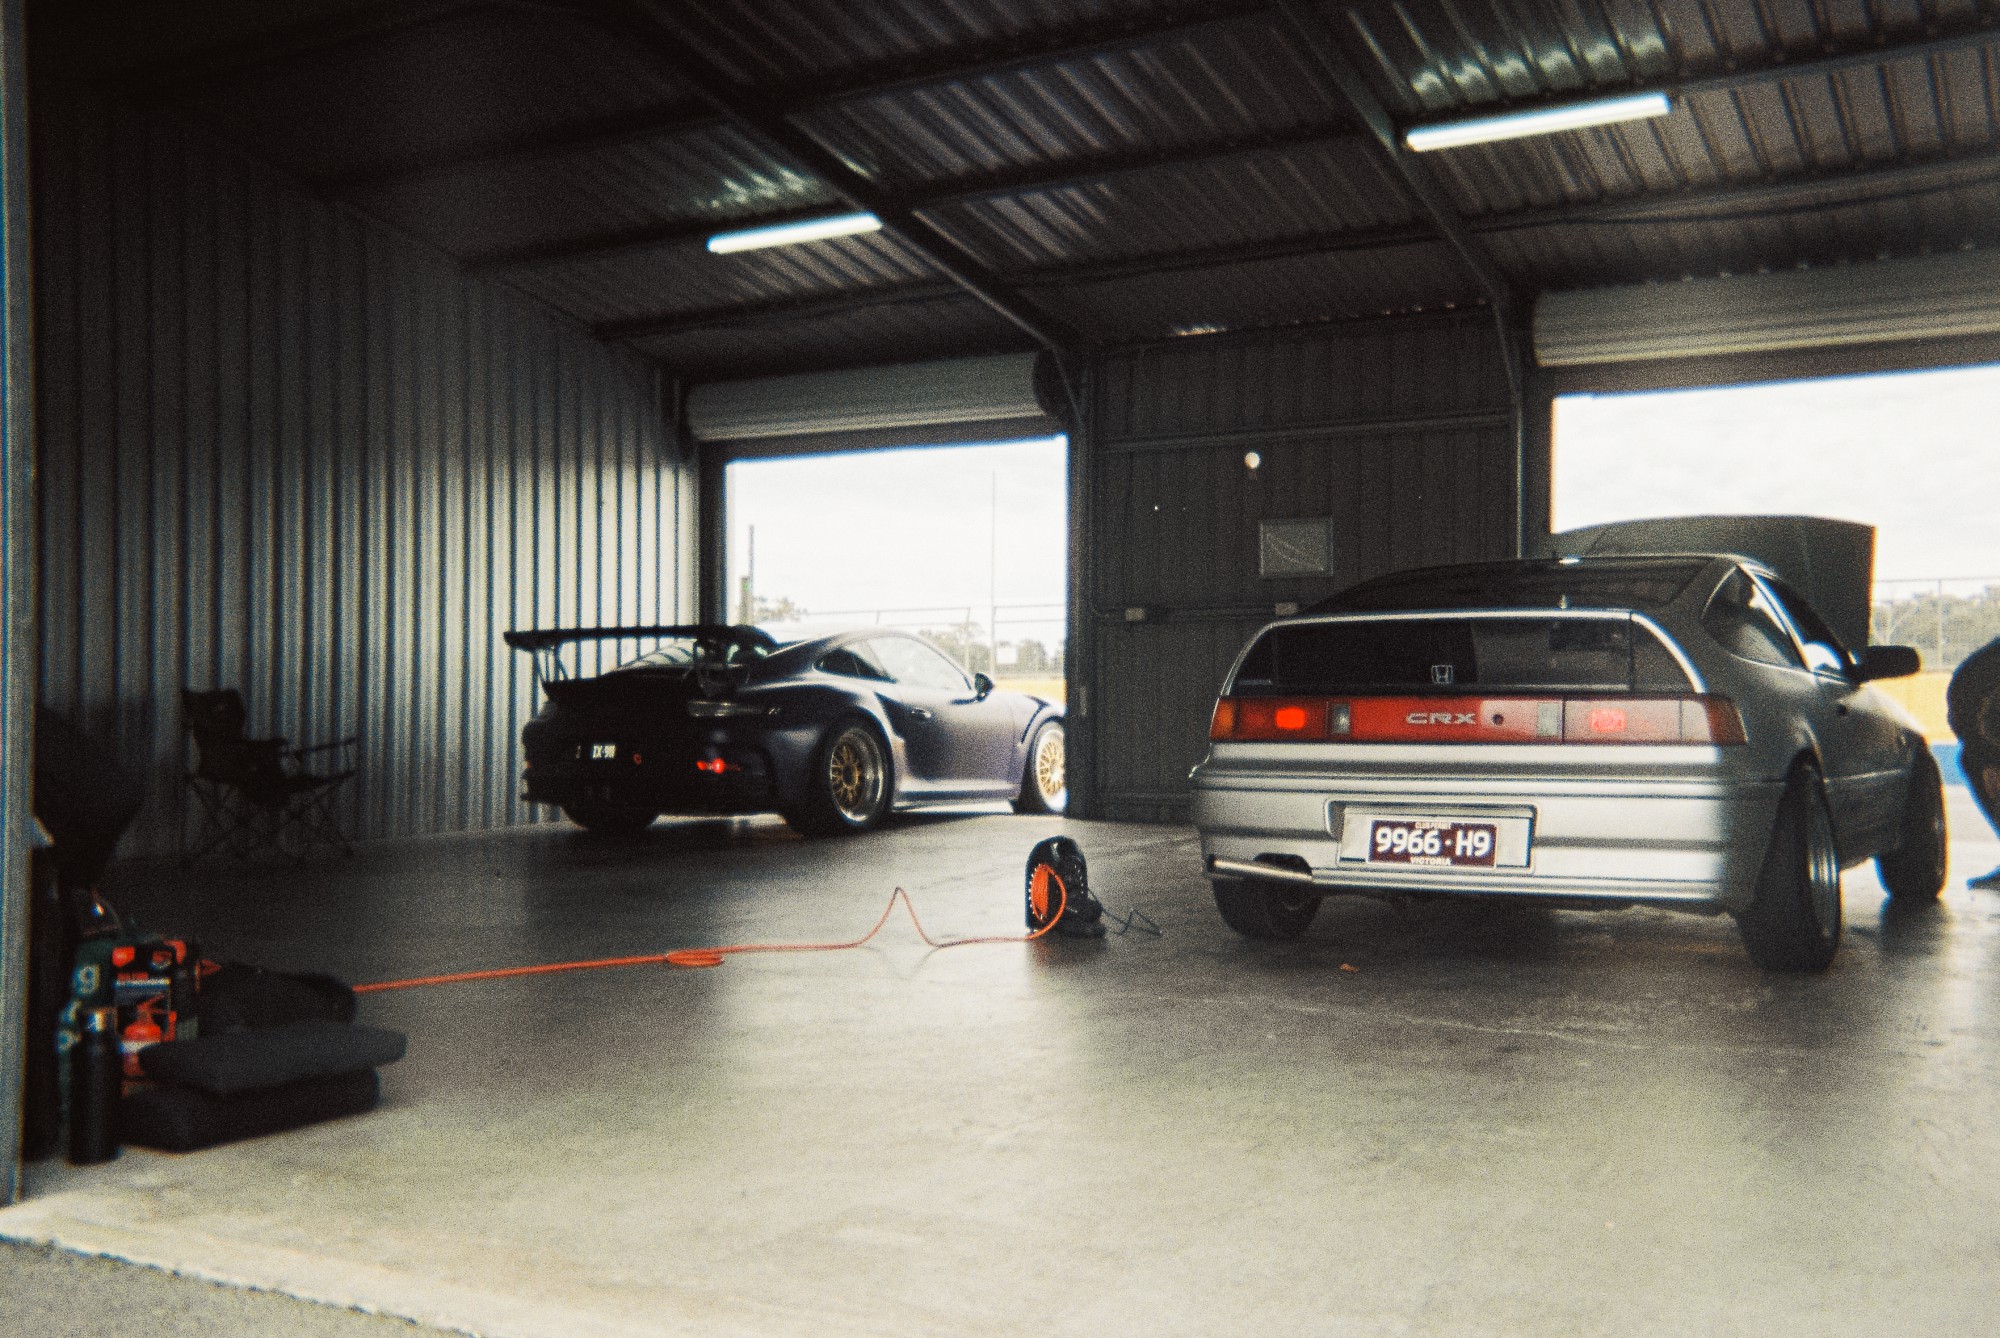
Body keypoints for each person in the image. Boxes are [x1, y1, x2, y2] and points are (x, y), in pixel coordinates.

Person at [1947, 636, 2000, 889]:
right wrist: (1990, 758)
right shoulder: (1980, 669)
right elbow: (1963, 716)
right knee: (1973, 758)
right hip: (1988, 749)